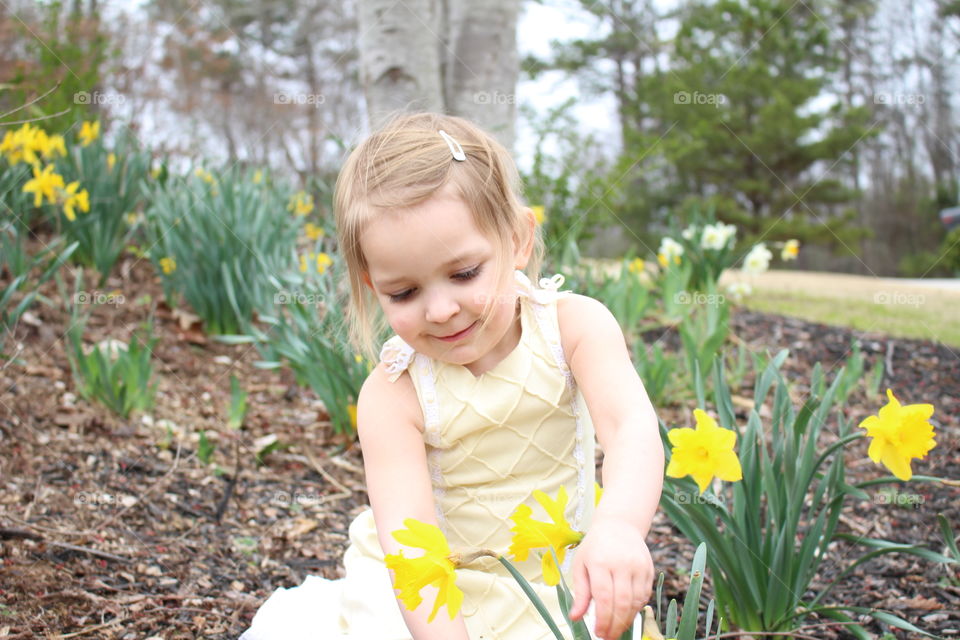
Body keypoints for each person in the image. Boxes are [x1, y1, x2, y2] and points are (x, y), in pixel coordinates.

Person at [239, 112, 663, 640]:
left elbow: (631, 430)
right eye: (404, 293)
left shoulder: (574, 327)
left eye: (463, 274)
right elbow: (413, 547)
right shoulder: (394, 394)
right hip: (433, 595)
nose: (439, 310)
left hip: (556, 576)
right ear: (374, 287)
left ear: (519, 239)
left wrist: (619, 527)